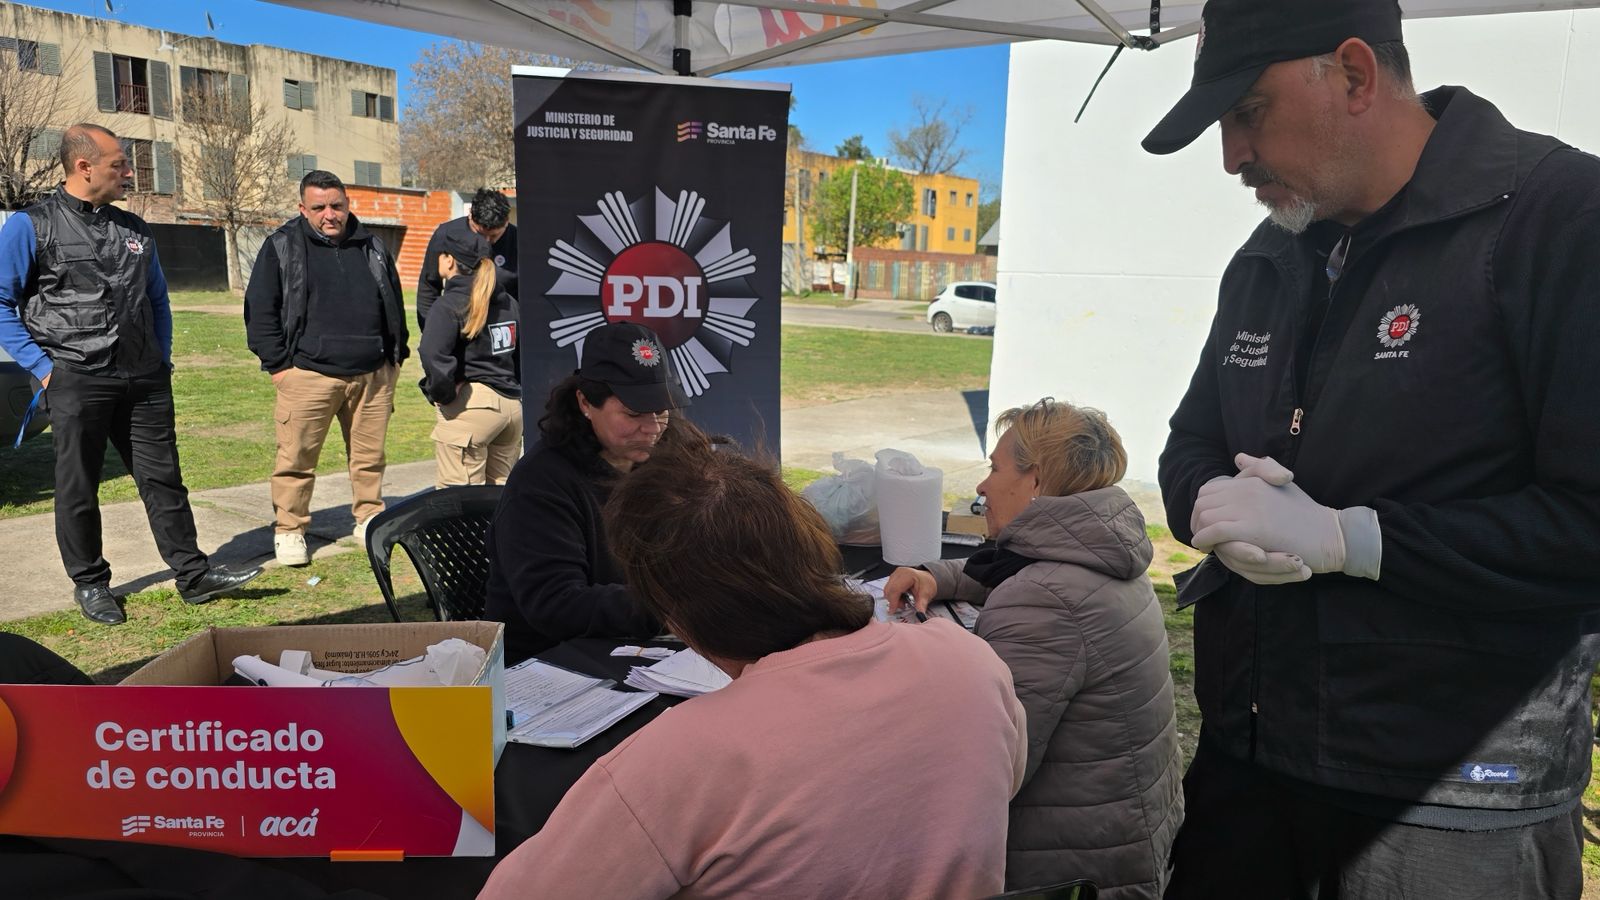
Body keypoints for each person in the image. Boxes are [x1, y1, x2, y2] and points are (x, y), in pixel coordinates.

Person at [1143, 1, 1600, 896]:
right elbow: (1192, 439)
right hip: (1249, 759)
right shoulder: (1272, 254)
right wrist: (1216, 510)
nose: (1232, 157)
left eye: (1248, 113)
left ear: (1354, 75)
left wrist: (1356, 540)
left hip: (1448, 799)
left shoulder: (1559, 221)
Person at [478, 439, 1027, 900]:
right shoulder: (971, 662)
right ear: (811, 547)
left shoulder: (684, 756)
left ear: (675, 614)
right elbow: (999, 786)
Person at [885, 399, 1183, 898]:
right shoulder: (1099, 552)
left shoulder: (1044, 600)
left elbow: (988, 768)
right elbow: (1010, 571)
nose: (982, 487)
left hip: (1062, 870)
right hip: (1124, 837)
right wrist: (934, 577)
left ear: (1036, 481)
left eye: (995, 469)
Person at [0, 123, 260, 625]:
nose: (129, 172)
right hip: (74, 376)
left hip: (144, 378)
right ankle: (91, 583)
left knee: (164, 479)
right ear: (84, 167)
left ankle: (193, 575)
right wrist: (45, 370)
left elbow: (157, 299)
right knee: (79, 486)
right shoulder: (31, 226)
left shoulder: (135, 229)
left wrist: (161, 359)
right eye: (119, 163)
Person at [483, 322, 689, 663]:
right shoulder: (541, 483)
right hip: (548, 664)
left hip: (639, 651)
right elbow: (556, 604)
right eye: (634, 413)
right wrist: (679, 606)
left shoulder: (668, 457)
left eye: (662, 410)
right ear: (585, 402)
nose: (653, 428)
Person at [244, 170, 409, 567]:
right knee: (296, 460)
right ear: (303, 208)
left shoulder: (371, 245)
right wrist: (280, 367)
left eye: (337, 205)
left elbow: (393, 299)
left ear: (348, 204)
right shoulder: (282, 245)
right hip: (308, 374)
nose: (329, 215)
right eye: (319, 207)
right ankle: (290, 530)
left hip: (372, 373)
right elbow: (260, 309)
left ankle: (369, 518)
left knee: (369, 457)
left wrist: (395, 355)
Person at [418, 227, 521, 487]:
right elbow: (519, 355)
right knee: (501, 497)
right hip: (511, 406)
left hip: (472, 406)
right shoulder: (508, 302)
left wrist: (443, 395)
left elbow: (432, 354)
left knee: (459, 497)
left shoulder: (448, 304)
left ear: (449, 260)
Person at [415, 187, 516, 330]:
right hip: (457, 323)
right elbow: (429, 285)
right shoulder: (447, 235)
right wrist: (430, 328)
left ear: (506, 222)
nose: (486, 241)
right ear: (470, 215)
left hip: (502, 327)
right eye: (480, 234)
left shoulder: (519, 242)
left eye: (494, 236)